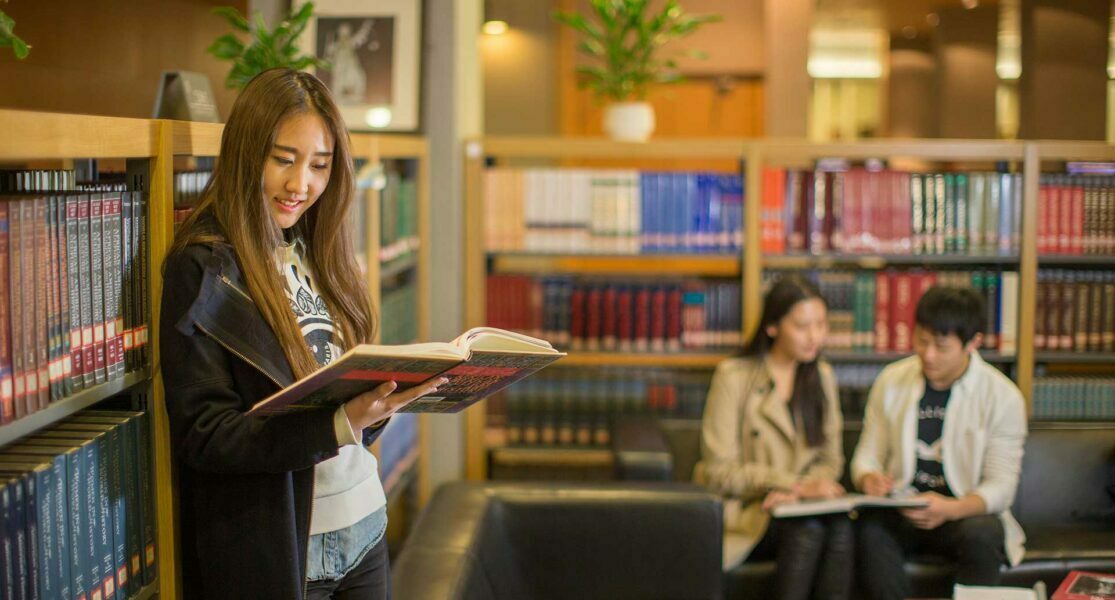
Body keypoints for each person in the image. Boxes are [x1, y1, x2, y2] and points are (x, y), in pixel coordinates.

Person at [160, 68, 445, 600]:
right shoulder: (204, 267)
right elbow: (205, 435)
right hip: (287, 547)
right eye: (283, 160)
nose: (301, 185)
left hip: (364, 527)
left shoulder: (316, 250)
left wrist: (383, 401)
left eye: (320, 165)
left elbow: (346, 404)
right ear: (247, 153)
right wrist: (340, 422)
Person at [851, 285, 1028, 600]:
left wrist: (952, 508)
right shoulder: (891, 381)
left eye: (941, 346)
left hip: (961, 513)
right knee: (868, 528)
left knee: (983, 532)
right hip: (904, 510)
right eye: (922, 341)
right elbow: (866, 457)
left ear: (972, 343)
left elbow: (1001, 488)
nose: (928, 355)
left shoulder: (1003, 397)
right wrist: (869, 479)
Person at [694, 276, 851, 600]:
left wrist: (804, 494)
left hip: (803, 506)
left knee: (840, 527)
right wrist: (793, 485)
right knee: (808, 530)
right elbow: (719, 470)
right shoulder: (734, 377)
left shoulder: (822, 376)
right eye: (802, 326)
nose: (815, 337)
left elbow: (830, 459)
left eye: (821, 325)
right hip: (750, 510)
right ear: (772, 327)